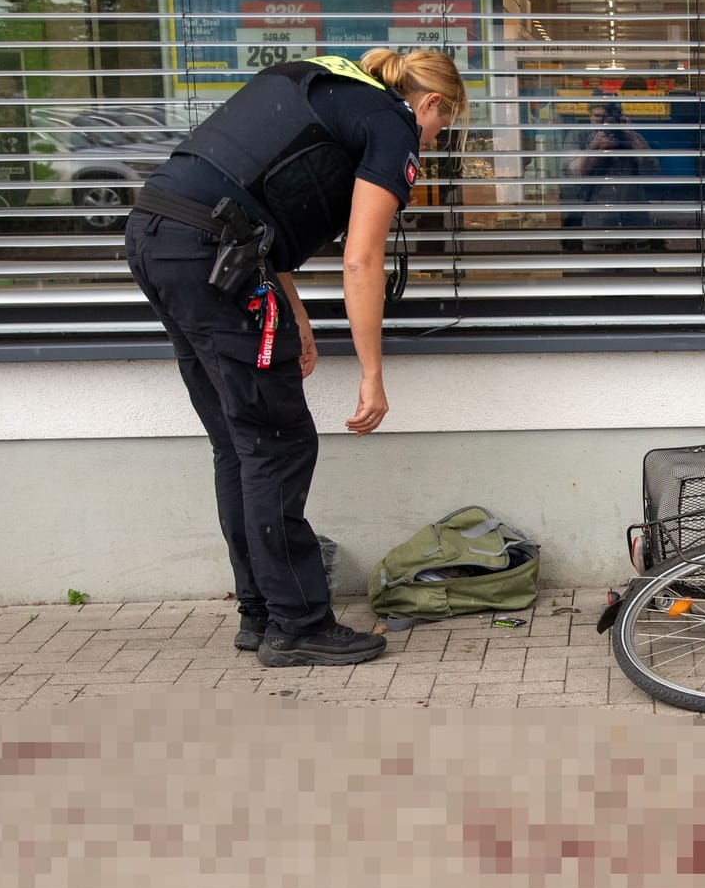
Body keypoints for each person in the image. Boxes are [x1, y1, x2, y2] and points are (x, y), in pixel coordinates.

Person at [125, 48, 462, 668]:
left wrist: (297, 319)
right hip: (211, 255)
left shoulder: (325, 80)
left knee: (240, 441)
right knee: (277, 444)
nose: (434, 141)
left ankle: (260, 612)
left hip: (158, 236)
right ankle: (298, 624)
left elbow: (255, 195)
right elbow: (361, 259)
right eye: (443, 128)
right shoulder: (392, 122)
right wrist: (371, 373)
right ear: (431, 103)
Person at [561, 98, 660, 251]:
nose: (604, 123)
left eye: (610, 118)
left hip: (635, 233)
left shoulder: (633, 139)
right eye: (599, 117)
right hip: (597, 233)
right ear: (589, 115)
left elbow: (653, 172)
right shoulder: (578, 137)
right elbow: (573, 175)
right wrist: (594, 149)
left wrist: (631, 138)